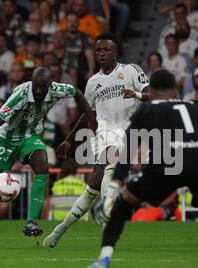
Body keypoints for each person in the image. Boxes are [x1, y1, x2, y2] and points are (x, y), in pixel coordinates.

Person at [79, 69, 198, 268]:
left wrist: (113, 189)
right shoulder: (195, 108)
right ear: (176, 91)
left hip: (169, 160)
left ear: (152, 92)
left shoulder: (147, 109)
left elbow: (128, 149)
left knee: (123, 204)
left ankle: (103, 260)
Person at [0, 66, 95, 248]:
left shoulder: (56, 90)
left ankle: (31, 221)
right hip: (7, 138)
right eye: (35, 86)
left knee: (43, 168)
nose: (37, 91)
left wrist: (91, 119)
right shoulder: (20, 95)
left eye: (41, 87)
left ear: (49, 85)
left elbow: (76, 92)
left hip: (30, 136)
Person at [43, 33, 150, 248]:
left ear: (115, 51)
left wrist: (136, 95)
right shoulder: (93, 82)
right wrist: (69, 140)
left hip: (130, 132)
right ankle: (107, 217)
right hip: (105, 132)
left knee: (92, 186)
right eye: (98, 50)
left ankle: (60, 229)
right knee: (110, 156)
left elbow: (152, 94)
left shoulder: (131, 71)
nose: (101, 53)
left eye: (106, 49)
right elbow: (86, 113)